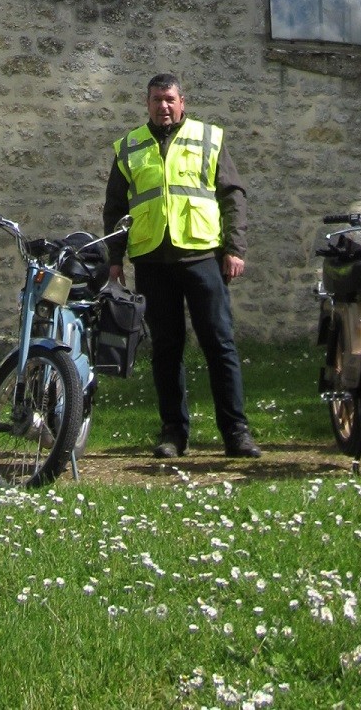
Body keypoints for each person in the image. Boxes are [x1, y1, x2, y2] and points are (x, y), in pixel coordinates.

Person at [104, 72, 261, 460]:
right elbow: (115, 208)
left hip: (203, 256)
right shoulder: (129, 146)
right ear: (148, 104)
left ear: (182, 101)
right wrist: (114, 258)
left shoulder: (209, 138)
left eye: (170, 99)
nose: (164, 107)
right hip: (153, 260)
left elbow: (232, 196)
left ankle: (236, 432)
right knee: (166, 349)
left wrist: (234, 248)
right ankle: (173, 432)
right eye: (157, 100)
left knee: (219, 345)